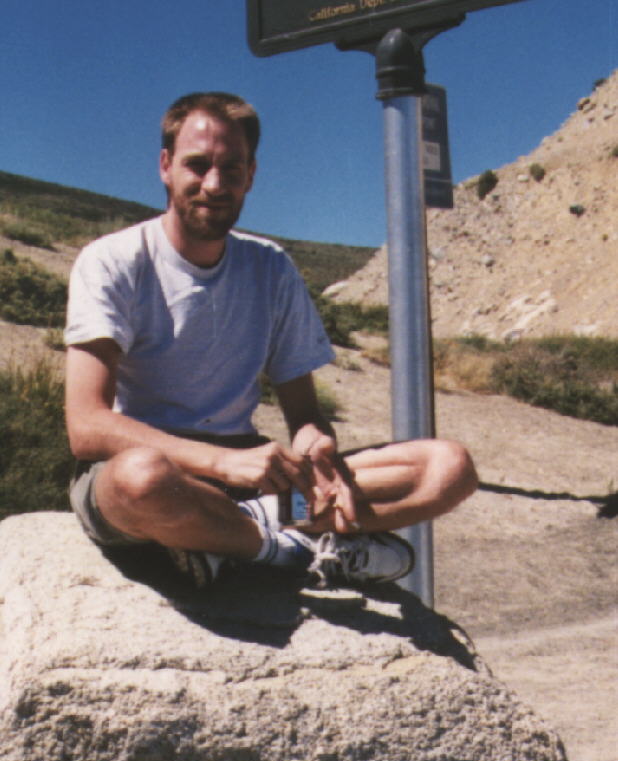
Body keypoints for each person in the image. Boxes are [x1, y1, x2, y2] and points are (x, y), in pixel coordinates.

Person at [65, 91, 477, 590]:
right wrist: (223, 463)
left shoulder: (271, 267)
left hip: (254, 484)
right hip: (154, 471)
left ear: (251, 175)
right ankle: (286, 549)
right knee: (143, 479)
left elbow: (304, 414)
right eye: (197, 165)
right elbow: (87, 426)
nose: (214, 184)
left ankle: (240, 533)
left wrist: (317, 449)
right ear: (166, 166)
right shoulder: (112, 260)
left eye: (231, 168)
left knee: (446, 467)